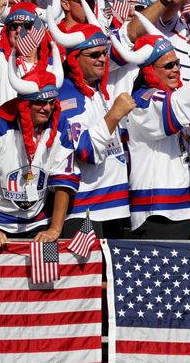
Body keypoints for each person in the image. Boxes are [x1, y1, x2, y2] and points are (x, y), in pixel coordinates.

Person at [112, 17, 190, 239]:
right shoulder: (144, 100)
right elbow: (179, 109)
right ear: (150, 70)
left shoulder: (169, 96)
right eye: (168, 65)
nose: (176, 70)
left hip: (181, 209)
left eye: (177, 63)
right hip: (157, 212)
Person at [51, 22, 135, 238]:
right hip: (86, 211)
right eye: (94, 54)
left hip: (115, 207)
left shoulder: (98, 89)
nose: (102, 59)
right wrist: (114, 114)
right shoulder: (67, 97)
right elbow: (86, 152)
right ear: (74, 59)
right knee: (87, 273)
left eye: (104, 53)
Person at [0, 55, 79, 247]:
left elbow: (63, 178)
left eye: (51, 102)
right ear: (24, 104)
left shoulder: (59, 122)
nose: (47, 108)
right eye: (39, 102)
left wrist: (55, 229)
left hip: (39, 221)